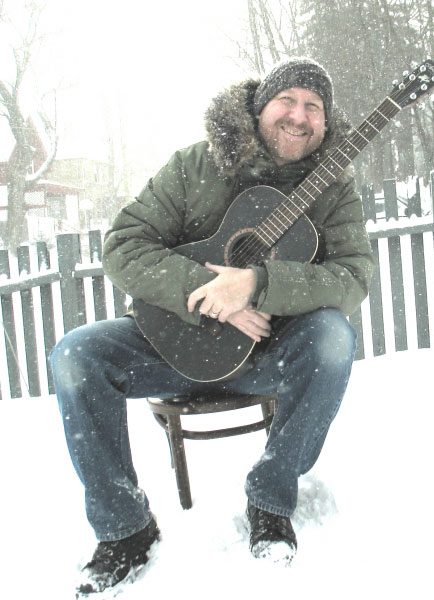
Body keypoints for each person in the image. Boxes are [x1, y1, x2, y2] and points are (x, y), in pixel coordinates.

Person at [50, 57, 374, 596]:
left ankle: (270, 499)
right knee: (75, 355)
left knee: (334, 339)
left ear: (326, 121)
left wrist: (257, 284)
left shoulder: (334, 188)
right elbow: (123, 246)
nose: (299, 116)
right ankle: (125, 530)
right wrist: (208, 293)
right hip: (171, 345)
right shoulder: (196, 166)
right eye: (286, 101)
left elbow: (352, 278)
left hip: (264, 351)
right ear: (260, 107)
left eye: (313, 106)